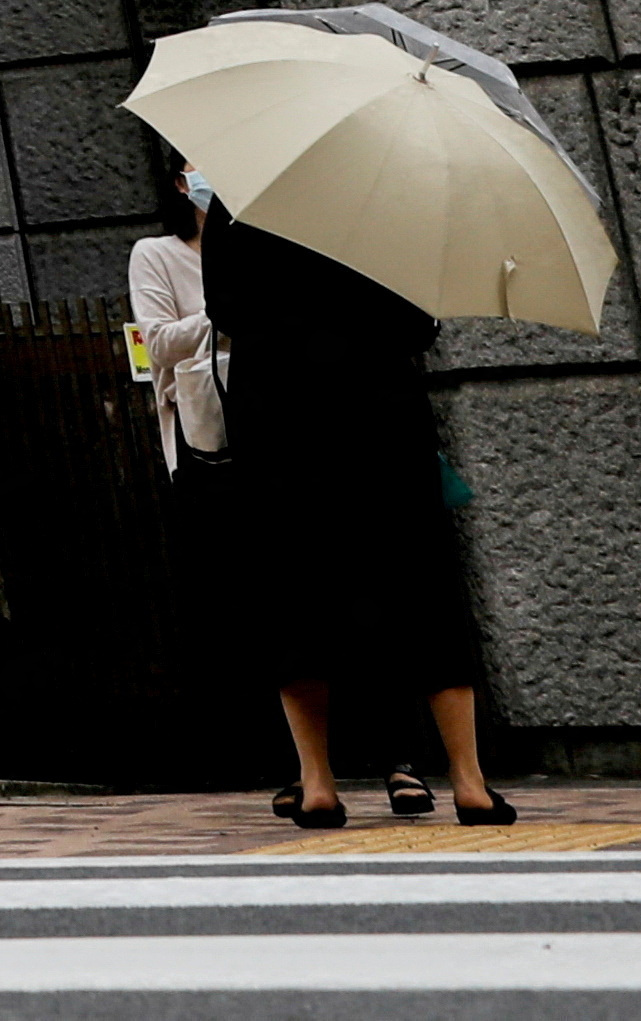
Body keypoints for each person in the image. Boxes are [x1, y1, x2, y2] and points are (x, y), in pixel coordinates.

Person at [202, 196, 513, 831]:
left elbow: (223, 308)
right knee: (419, 581)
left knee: (298, 589)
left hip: (279, 411)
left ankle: (317, 783)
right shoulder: (384, 195)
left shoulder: (242, 196)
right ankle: (470, 783)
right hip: (378, 405)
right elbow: (418, 324)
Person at [128, 173, 224, 472]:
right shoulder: (155, 254)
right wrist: (224, 311)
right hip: (204, 429)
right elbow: (160, 345)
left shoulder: (260, 256)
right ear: (181, 183)